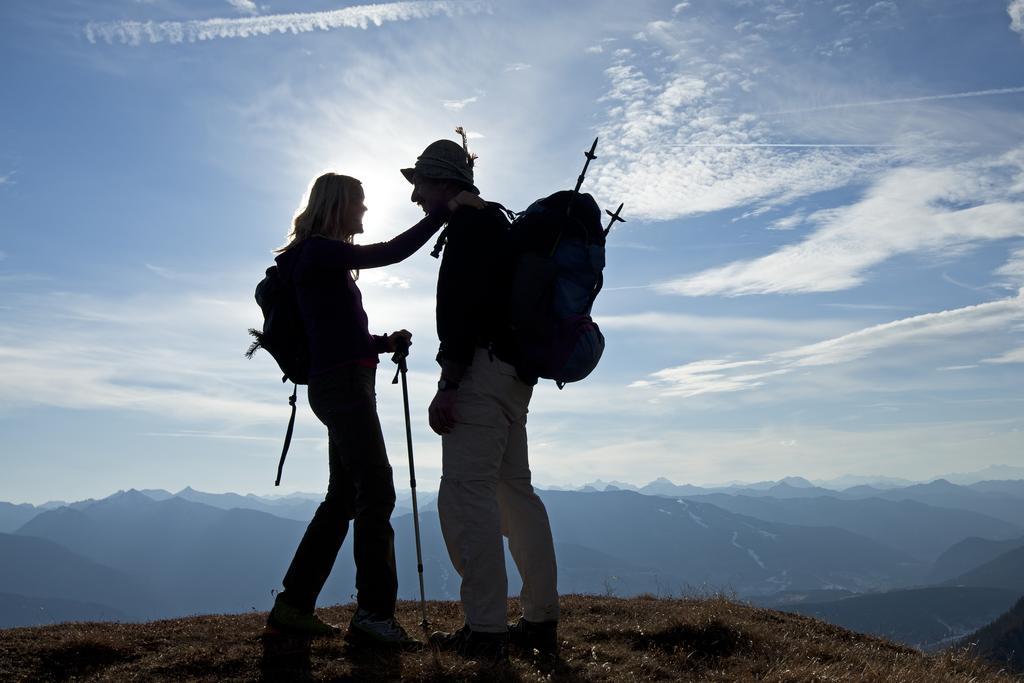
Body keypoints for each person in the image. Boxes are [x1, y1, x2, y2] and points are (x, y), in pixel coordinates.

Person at [266, 172, 484, 646]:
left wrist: (383, 343)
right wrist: (444, 212)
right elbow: (389, 253)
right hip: (344, 386)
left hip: (340, 382)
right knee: (377, 491)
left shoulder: (317, 258)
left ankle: (292, 606)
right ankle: (373, 617)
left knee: (344, 498)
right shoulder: (322, 252)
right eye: (360, 203)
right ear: (338, 205)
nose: (365, 211)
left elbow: (334, 337)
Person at [400, 140, 560, 662]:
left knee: (468, 498)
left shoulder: (467, 230)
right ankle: (539, 620)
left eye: (420, 185)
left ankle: (485, 629)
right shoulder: (499, 223)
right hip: (516, 377)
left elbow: (460, 313)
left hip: (482, 376)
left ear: (444, 183)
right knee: (517, 495)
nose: (416, 196)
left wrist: (448, 385)